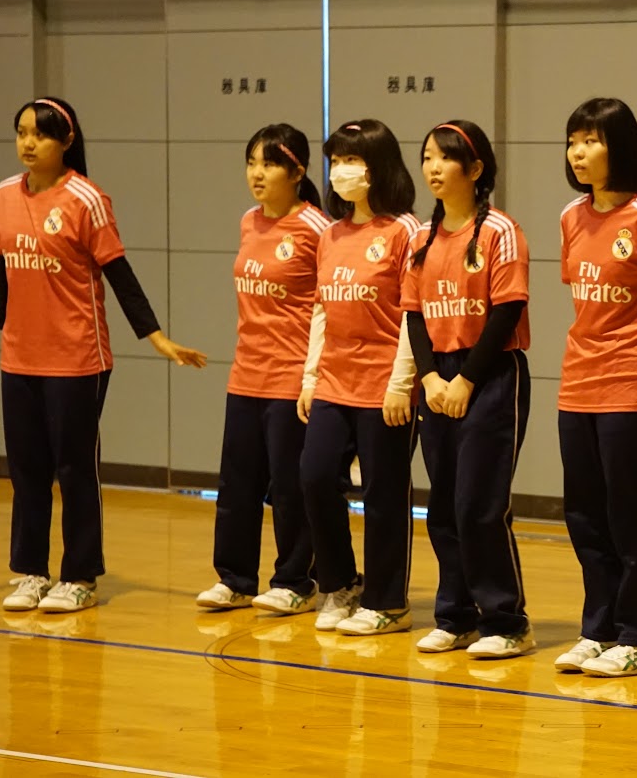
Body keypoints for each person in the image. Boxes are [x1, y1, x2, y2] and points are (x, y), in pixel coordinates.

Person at [0, 97, 206, 615]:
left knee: (75, 469)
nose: (28, 143)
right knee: (27, 470)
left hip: (77, 358)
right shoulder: (4, 194)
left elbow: (120, 274)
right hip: (20, 358)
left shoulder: (87, 198)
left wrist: (156, 338)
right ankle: (31, 571)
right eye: (22, 132)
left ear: (66, 141)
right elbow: (5, 278)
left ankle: (79, 575)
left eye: (41, 134)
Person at [553, 98, 637, 678]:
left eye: (591, 141)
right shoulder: (571, 217)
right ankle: (600, 628)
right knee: (585, 516)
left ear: (621, 147)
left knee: (632, 513)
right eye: (573, 141)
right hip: (578, 384)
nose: (578, 153)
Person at [402, 120, 535, 658]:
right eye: (427, 157)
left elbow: (507, 311)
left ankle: (506, 621)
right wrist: (431, 377)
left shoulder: (501, 231)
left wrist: (466, 380)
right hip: (439, 377)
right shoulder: (420, 238)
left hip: (492, 373)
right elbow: (414, 314)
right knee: (443, 508)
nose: (433, 167)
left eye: (445, 157)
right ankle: (454, 616)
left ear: (475, 169)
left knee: (480, 505)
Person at [196, 124, 331, 617]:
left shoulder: (317, 228)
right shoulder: (248, 222)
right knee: (237, 485)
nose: (257, 173)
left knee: (290, 487)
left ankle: (296, 580)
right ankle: (234, 578)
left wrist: (315, 377)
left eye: (269, 163)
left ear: (296, 172)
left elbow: (330, 307)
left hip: (291, 378)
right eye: (251, 162)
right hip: (246, 374)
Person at [298, 119, 422, 636]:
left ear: (380, 166)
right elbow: (322, 309)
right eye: (336, 160)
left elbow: (414, 314)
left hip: (384, 384)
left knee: (384, 493)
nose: (341, 170)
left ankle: (387, 601)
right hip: (334, 382)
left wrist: (401, 384)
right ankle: (340, 583)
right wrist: (310, 377)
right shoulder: (331, 234)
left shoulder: (405, 230)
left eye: (352, 159)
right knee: (314, 476)